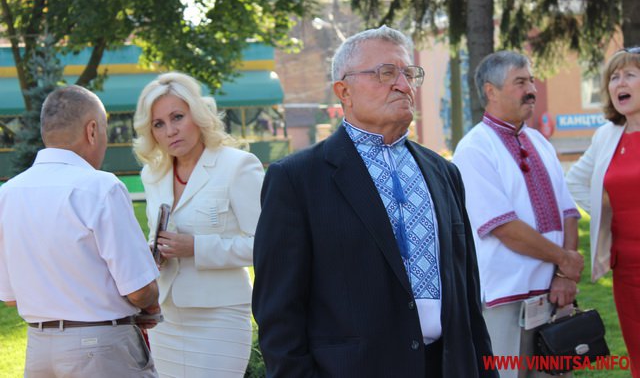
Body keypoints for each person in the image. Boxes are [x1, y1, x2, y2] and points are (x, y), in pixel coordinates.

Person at [252, 26, 496, 378]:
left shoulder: (443, 172)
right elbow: (279, 312)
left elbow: (468, 294)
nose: (403, 85)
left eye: (409, 73)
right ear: (344, 91)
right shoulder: (297, 179)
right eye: (386, 73)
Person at [0, 85, 160, 377]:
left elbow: (11, 297)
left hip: (39, 349)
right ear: (92, 130)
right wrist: (151, 303)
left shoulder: (8, 193)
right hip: (100, 347)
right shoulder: (101, 187)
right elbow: (139, 289)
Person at [452, 51, 584, 377]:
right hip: (505, 299)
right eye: (520, 82)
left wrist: (565, 276)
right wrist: (565, 260)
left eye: (532, 81)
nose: (532, 90)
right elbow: (504, 227)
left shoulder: (540, 141)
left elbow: (569, 212)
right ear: (491, 91)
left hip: (553, 295)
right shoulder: (474, 148)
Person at [133, 72, 264, 377]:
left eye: (177, 117)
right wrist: (154, 252)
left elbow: (265, 245)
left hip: (220, 315)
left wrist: (196, 247)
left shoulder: (238, 165)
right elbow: (156, 233)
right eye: (158, 124)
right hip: (166, 316)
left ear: (198, 114)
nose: (170, 131)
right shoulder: (152, 175)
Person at [566, 47, 640, 377]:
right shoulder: (606, 136)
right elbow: (575, 182)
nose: (619, 83)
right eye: (613, 77)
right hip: (627, 269)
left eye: (629, 75)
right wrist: (606, 214)